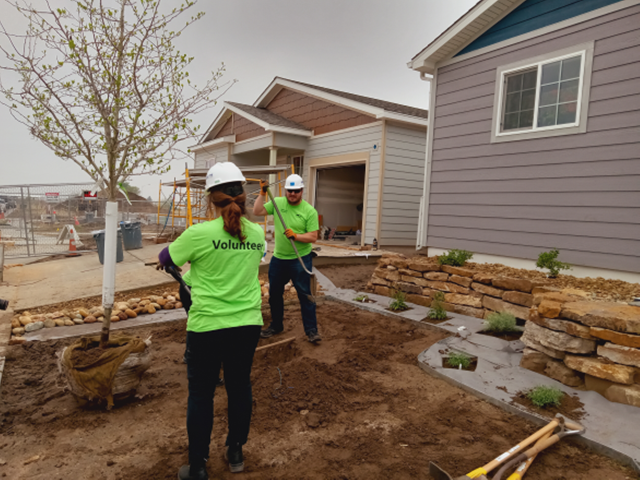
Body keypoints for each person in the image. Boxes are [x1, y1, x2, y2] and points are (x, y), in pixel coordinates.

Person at [157, 162, 265, 480]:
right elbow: (242, 262)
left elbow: (166, 259)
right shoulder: (257, 233)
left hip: (207, 327)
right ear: (243, 196)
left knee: (202, 394)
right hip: (247, 324)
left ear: (209, 199)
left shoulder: (198, 234)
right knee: (239, 386)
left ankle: (198, 466)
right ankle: (235, 451)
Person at [253, 173, 321, 343]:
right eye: (289, 191)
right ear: (285, 191)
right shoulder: (278, 203)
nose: (292, 194)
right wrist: (262, 193)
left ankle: (311, 331)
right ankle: (276, 325)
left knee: (305, 295)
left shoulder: (309, 211)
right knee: (275, 294)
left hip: (300, 259)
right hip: (279, 259)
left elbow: (313, 237)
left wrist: (296, 236)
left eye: (296, 191)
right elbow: (257, 211)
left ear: (302, 191)